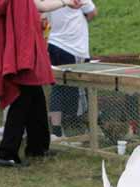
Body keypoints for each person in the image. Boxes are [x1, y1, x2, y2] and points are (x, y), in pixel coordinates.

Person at [0, 0, 81, 168]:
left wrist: (65, 2)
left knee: (35, 98)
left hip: (19, 50)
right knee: (22, 100)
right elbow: (22, 20)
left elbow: (37, 5)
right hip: (16, 51)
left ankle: (37, 147)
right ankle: (6, 154)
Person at [46, 0, 98, 139]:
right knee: (81, 87)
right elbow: (92, 12)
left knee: (58, 86)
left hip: (53, 43)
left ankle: (57, 130)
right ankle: (85, 127)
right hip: (73, 46)